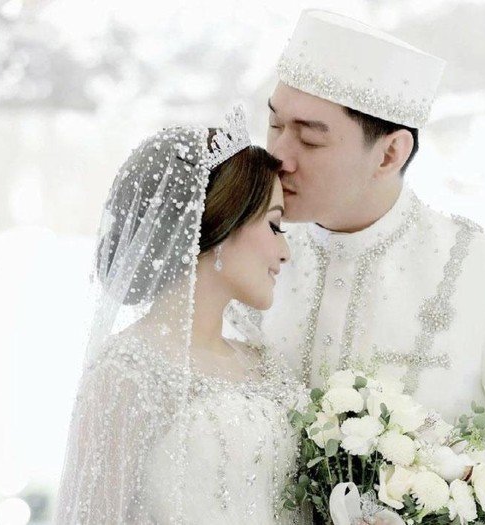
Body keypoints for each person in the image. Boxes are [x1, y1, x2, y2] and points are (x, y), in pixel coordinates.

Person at [231, 10, 485, 524]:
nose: (279, 155)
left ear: (390, 154)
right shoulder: (241, 258)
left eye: (310, 139)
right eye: (274, 124)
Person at [55, 107, 307, 524]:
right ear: (223, 221)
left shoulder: (264, 362)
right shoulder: (127, 371)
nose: (285, 252)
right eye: (274, 226)